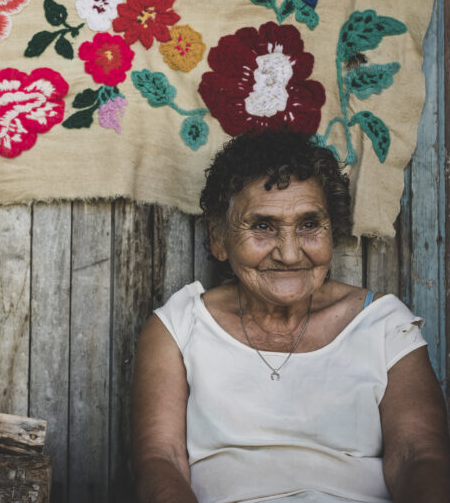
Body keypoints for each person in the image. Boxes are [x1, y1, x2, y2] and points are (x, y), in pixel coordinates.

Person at [132, 130, 450, 503]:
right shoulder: (179, 326)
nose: (289, 253)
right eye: (263, 226)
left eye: (309, 225)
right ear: (219, 237)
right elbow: (159, 461)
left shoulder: (383, 325)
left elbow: (419, 459)